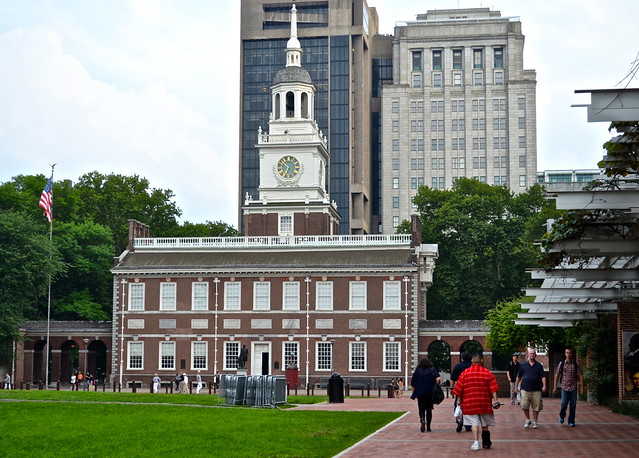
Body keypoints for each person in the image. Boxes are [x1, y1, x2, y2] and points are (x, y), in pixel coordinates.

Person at [452, 354, 499, 451]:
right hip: (484, 402)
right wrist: (496, 400)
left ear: (472, 362)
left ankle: (476, 443)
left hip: (470, 403)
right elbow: (493, 388)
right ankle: (486, 443)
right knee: (485, 424)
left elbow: (459, 389)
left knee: (474, 423)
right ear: (481, 361)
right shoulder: (487, 373)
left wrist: (459, 402)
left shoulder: (465, 373)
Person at [514, 348, 547, 429]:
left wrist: (544, 385)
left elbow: (543, 376)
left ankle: (535, 421)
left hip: (536, 389)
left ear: (535, 355)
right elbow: (518, 376)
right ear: (528, 354)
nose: (532, 355)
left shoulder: (539, 366)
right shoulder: (523, 365)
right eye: (531, 353)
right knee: (524, 405)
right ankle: (528, 419)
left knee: (537, 406)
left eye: (533, 353)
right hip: (525, 389)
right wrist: (516, 387)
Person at [553, 347, 584, 427]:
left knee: (573, 405)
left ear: (572, 354)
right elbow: (557, 374)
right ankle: (562, 416)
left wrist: (582, 387)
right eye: (567, 353)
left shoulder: (576, 364)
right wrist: (555, 386)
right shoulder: (562, 364)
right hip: (564, 387)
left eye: (569, 353)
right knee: (564, 403)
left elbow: (580, 375)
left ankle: (571, 421)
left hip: (573, 387)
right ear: (565, 354)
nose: (568, 354)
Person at [410, 358, 441, 433]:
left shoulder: (417, 371)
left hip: (420, 392)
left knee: (421, 408)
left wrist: (413, 393)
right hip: (430, 392)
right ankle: (429, 427)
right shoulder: (432, 370)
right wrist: (437, 384)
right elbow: (438, 379)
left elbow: (413, 383)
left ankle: (422, 419)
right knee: (429, 409)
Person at [451, 352, 473, 432]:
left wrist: (451, 388)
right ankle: (468, 425)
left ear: (462, 358)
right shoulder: (472, 366)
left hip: (460, 388)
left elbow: (452, 378)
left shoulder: (458, 366)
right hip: (471, 388)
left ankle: (459, 420)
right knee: (470, 406)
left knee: (458, 404)